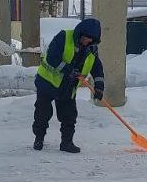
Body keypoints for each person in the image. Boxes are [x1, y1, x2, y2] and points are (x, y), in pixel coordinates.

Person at [32, 16, 105, 153]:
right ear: (80, 33)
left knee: (69, 115)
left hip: (68, 87)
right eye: (86, 37)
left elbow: (97, 69)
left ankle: (67, 143)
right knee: (43, 113)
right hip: (47, 83)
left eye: (91, 39)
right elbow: (52, 58)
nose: (88, 41)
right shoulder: (64, 37)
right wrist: (69, 70)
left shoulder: (91, 49)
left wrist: (99, 87)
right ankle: (39, 139)